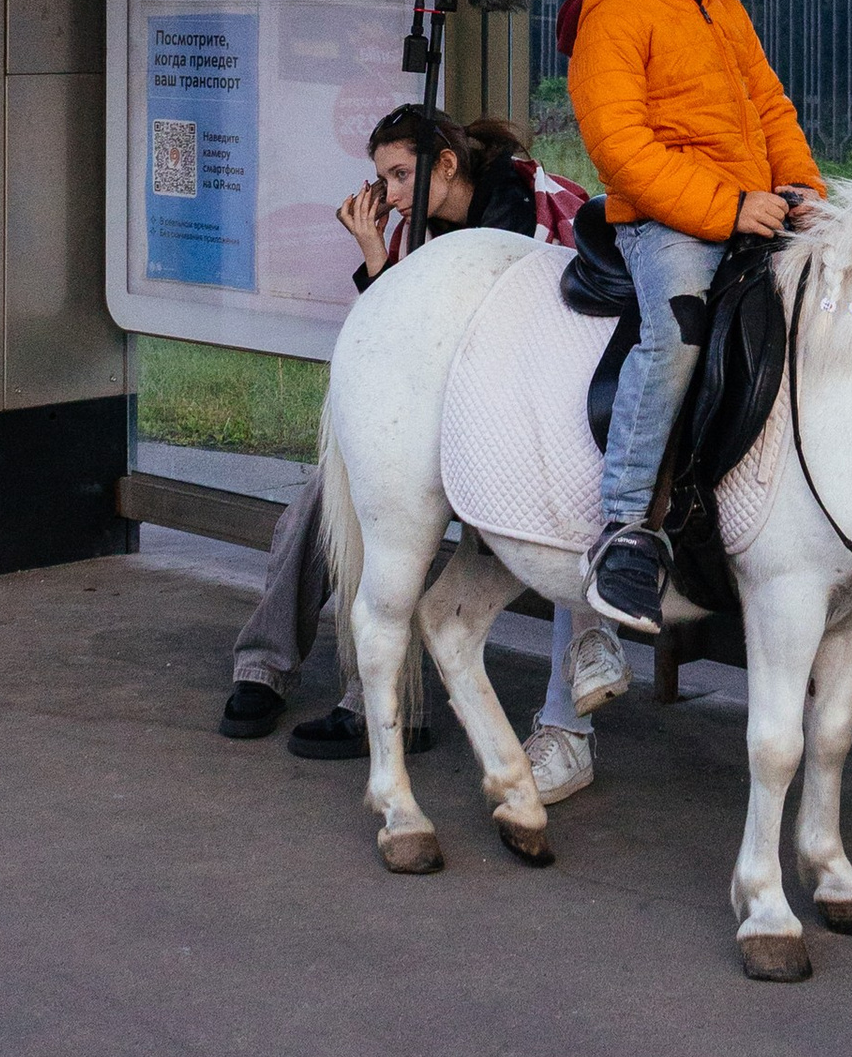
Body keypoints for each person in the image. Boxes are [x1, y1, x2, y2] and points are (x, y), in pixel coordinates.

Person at [219, 106, 608, 787]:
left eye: (400, 175)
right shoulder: (418, 229)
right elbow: (394, 348)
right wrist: (378, 257)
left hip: (524, 426)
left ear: (446, 165)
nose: (390, 194)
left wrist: (382, 260)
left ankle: (381, 704)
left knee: (403, 512)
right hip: (444, 414)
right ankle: (264, 665)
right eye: (384, 178)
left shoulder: (527, 209)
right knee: (319, 500)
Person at [562, 0, 823, 635]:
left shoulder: (726, 12)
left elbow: (770, 108)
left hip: (748, 203)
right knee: (674, 339)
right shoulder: (616, 16)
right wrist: (724, 209)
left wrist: (801, 183)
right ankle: (624, 527)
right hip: (666, 222)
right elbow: (620, 149)